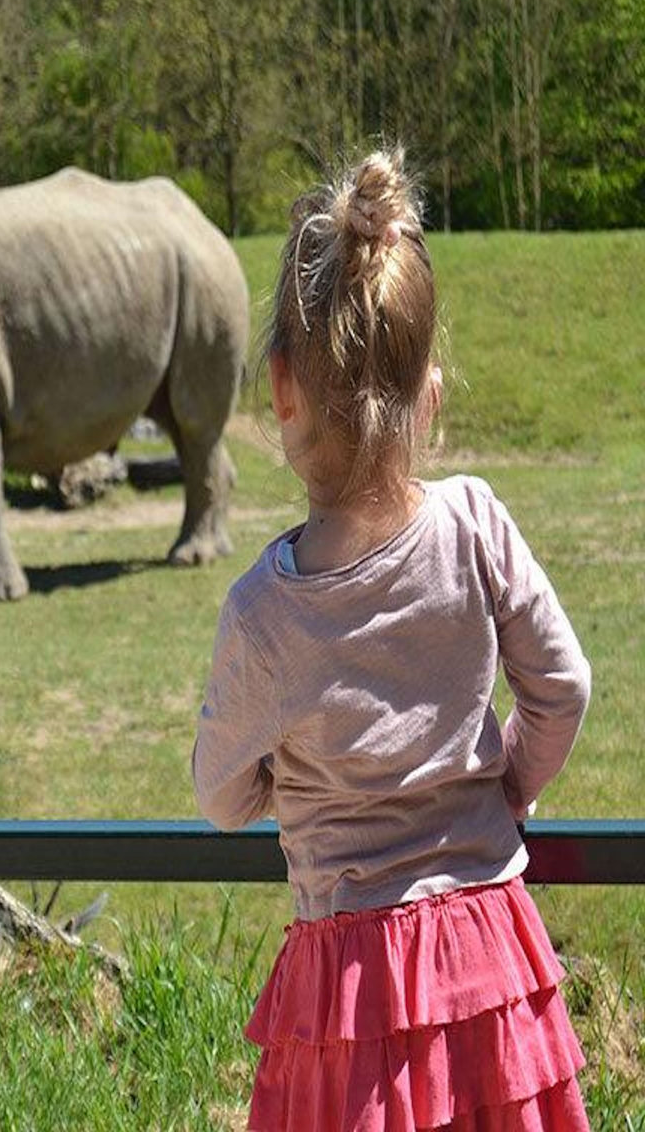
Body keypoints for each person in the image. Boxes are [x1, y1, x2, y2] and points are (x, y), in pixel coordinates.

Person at [192, 146, 592, 1131]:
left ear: (281, 392)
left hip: (352, 989)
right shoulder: (476, 525)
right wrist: (509, 784)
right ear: (432, 393)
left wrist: (283, 783)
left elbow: (219, 795)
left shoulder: (264, 613)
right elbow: (564, 687)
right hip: (494, 958)